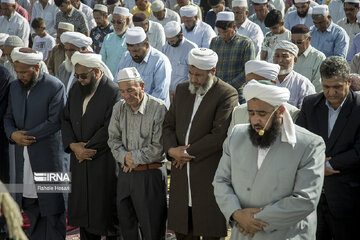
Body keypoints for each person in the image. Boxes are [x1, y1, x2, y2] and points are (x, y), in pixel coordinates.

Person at [213, 79, 325, 240]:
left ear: (280, 111)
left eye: (262, 114)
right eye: (251, 113)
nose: (255, 120)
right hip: (242, 232)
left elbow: (305, 200)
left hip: (287, 234)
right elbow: (221, 180)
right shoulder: (237, 135)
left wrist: (252, 221)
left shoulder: (309, 144)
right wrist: (236, 214)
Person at [163, 48, 238, 239]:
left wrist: (184, 154)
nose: (194, 79)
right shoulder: (182, 90)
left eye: (199, 75)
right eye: (191, 73)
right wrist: (172, 150)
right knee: (184, 229)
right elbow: (168, 126)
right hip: (180, 172)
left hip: (206, 171)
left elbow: (219, 135)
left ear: (213, 71)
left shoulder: (226, 93)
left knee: (209, 227)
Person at [4, 47, 67, 239]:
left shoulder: (55, 86)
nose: (20, 76)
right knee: (31, 208)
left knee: (53, 211)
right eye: (18, 71)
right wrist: (13, 134)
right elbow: (7, 117)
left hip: (49, 160)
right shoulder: (14, 87)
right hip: (23, 159)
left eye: (24, 71)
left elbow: (55, 121)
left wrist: (26, 136)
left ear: (37, 68)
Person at [296, 56, 360, 240]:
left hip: (347, 197)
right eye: (326, 87)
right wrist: (315, 166)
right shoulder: (310, 105)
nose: (331, 93)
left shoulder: (358, 107)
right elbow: (299, 141)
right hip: (312, 198)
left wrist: (327, 167)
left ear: (348, 82)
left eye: (337, 87)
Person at [61, 51, 120, 240]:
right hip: (79, 160)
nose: (80, 80)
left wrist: (86, 149)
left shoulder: (112, 91)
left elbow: (110, 127)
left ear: (97, 72)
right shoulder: (76, 89)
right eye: (77, 76)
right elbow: (66, 119)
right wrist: (73, 146)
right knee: (84, 215)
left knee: (106, 215)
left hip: (102, 161)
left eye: (84, 76)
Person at [108, 67, 167, 240]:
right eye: (122, 91)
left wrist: (130, 158)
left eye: (130, 90)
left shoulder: (158, 108)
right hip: (126, 174)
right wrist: (125, 159)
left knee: (152, 230)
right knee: (128, 228)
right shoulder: (119, 107)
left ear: (142, 85)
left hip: (150, 175)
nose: (126, 96)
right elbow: (113, 140)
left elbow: (158, 148)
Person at [227, 60, 300, 133]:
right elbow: (228, 143)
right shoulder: (238, 112)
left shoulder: (292, 113)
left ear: (273, 83)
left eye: (257, 84)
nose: (251, 88)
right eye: (248, 84)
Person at [115, 27, 171, 106]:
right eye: (129, 50)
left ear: (147, 45)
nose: (133, 55)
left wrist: (138, 108)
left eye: (136, 51)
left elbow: (160, 94)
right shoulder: (126, 57)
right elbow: (117, 84)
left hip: (153, 111)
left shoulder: (160, 61)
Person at [210, 11, 255, 101]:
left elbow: (248, 71)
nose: (222, 35)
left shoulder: (246, 43)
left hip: (237, 95)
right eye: (219, 33)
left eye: (225, 32)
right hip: (216, 93)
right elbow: (211, 66)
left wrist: (228, 86)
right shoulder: (215, 42)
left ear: (234, 27)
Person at [273, 40, 316, 108]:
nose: (280, 60)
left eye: (284, 56)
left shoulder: (303, 84)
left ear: (295, 60)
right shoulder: (266, 79)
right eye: (277, 56)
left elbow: (307, 112)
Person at [162, 21, 197, 101]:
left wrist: (180, 91)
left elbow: (193, 74)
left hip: (185, 93)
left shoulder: (191, 48)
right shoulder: (165, 47)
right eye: (168, 41)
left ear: (181, 36)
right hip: (168, 94)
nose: (170, 44)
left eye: (172, 41)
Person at [291, 24, 326, 93]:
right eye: (293, 42)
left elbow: (318, 85)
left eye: (299, 42)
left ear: (309, 39)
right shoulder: (289, 56)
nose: (295, 45)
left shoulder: (319, 57)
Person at [100, 6, 130, 76]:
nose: (115, 25)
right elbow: (102, 61)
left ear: (127, 21)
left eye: (119, 22)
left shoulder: (132, 38)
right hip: (109, 80)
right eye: (113, 22)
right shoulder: (108, 38)